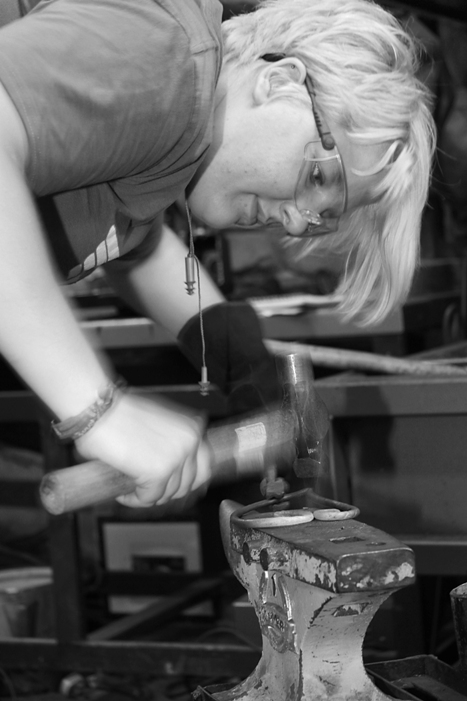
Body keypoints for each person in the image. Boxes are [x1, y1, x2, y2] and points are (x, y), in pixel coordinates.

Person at [0, 0, 435, 508]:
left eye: (322, 215)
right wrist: (97, 411)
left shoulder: (166, 158)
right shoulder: (167, 57)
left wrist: (235, 351)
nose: (297, 221)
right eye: (319, 176)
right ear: (281, 82)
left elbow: (132, 248)